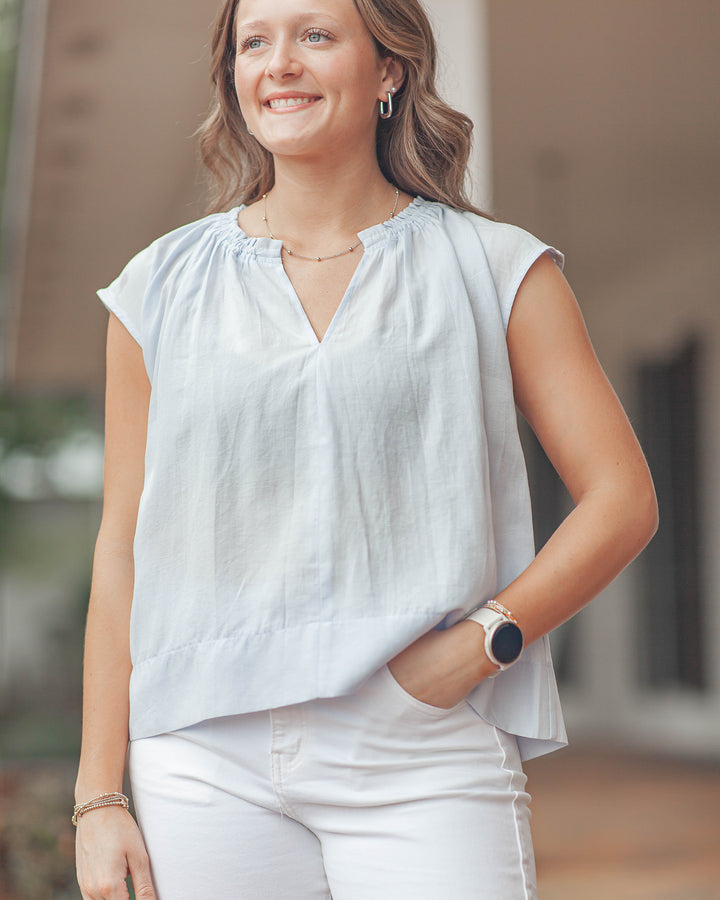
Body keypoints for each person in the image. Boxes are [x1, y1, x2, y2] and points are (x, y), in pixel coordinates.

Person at [73, 0, 658, 897]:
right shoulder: (157, 288)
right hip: (201, 757)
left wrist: (481, 643)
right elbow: (122, 549)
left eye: (315, 35)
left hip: (421, 747)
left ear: (390, 70)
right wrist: (97, 796)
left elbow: (622, 499)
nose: (279, 65)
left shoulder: (495, 268)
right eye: (253, 43)